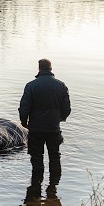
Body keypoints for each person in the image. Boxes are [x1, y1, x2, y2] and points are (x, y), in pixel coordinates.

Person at [18, 58, 71, 190]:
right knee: (54, 156)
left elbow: (24, 107)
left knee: (36, 158)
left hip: (35, 129)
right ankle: (54, 186)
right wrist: (59, 119)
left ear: (39, 69)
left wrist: (24, 121)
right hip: (53, 128)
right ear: (51, 68)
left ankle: (36, 185)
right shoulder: (61, 86)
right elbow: (67, 108)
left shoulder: (31, 85)